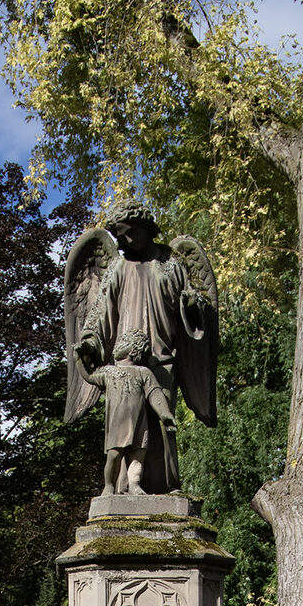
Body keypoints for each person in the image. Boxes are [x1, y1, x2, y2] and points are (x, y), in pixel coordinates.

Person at [67, 198, 216, 492]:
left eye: (128, 232)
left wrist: (190, 304)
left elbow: (191, 309)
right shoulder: (119, 267)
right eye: (119, 236)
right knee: (126, 427)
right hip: (124, 363)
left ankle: (162, 487)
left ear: (145, 227)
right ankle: (122, 489)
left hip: (162, 359)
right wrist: (89, 342)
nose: (123, 241)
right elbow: (100, 314)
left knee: (162, 424)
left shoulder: (170, 264)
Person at [75, 329, 177, 495]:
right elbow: (89, 375)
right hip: (118, 422)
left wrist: (165, 415)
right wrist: (79, 359)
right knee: (114, 455)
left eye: (122, 343)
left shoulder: (143, 372)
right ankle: (109, 486)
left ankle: (134, 485)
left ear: (132, 350)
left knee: (138, 455)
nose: (117, 347)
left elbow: (155, 394)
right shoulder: (108, 371)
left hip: (139, 422)